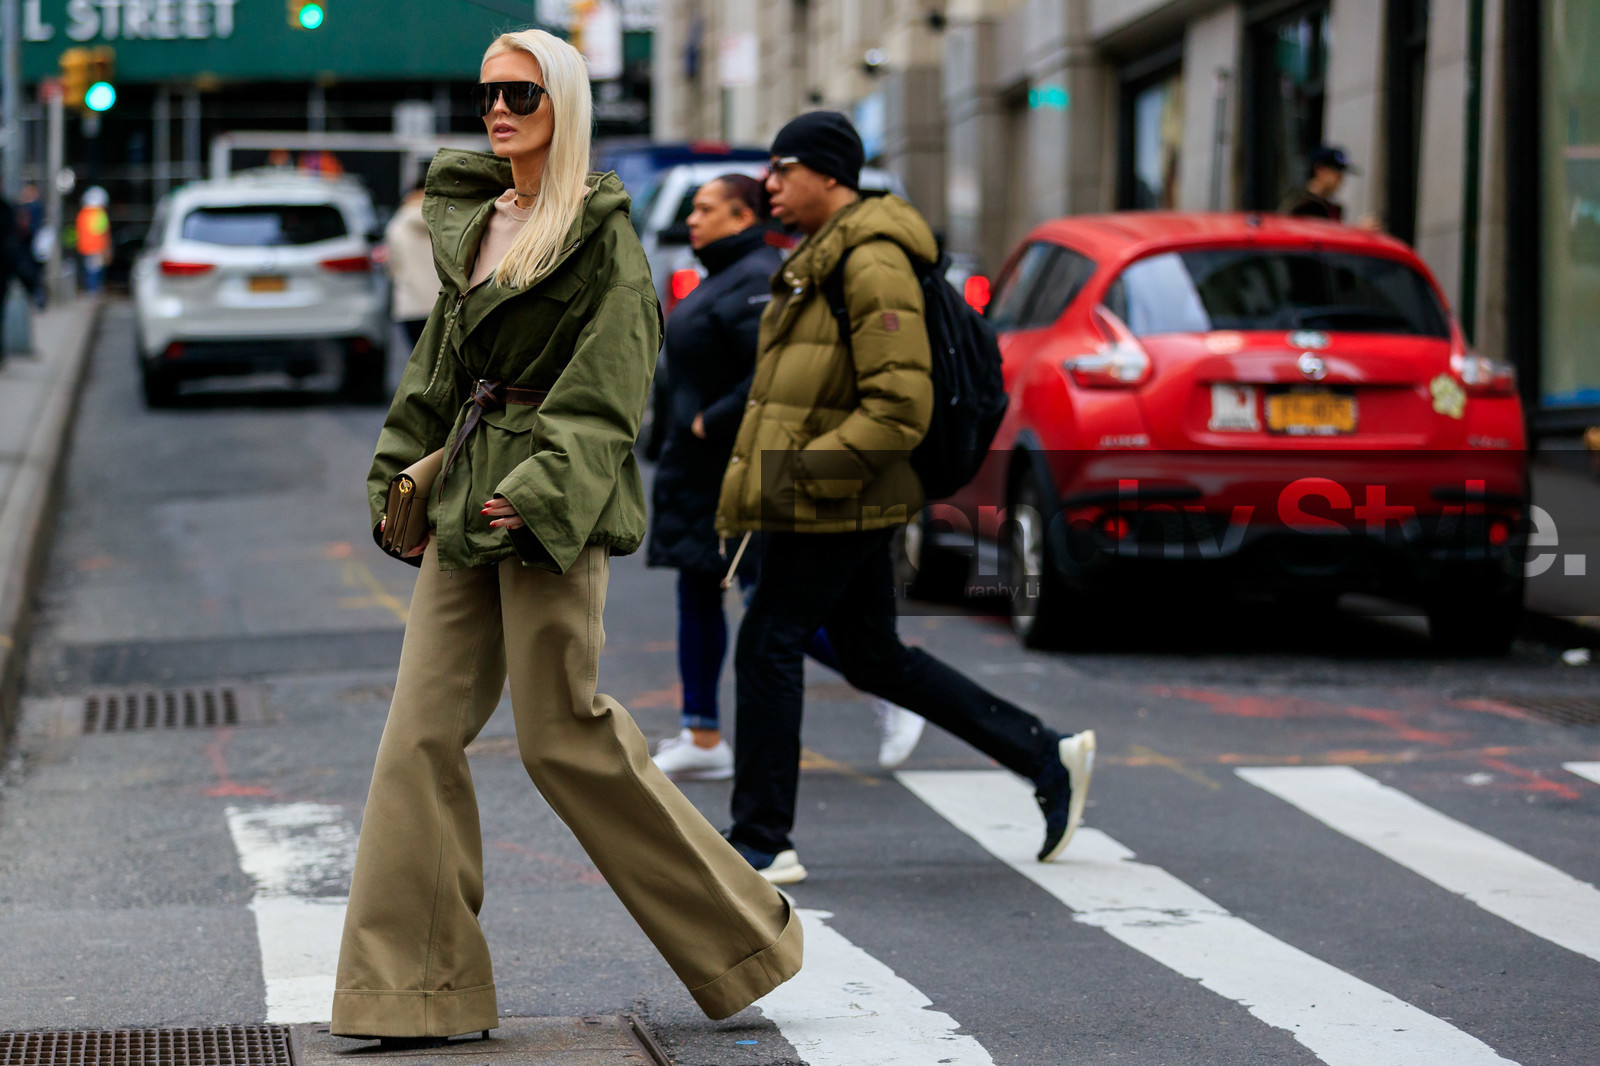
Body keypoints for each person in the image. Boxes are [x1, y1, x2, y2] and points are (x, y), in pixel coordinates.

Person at [332, 29, 801, 1049]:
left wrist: (543, 491)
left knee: (562, 738)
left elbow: (612, 388)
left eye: (522, 94)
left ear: (567, 106)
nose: (498, 109)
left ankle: (743, 936)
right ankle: (414, 992)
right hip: (467, 496)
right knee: (416, 734)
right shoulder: (475, 221)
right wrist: (396, 476)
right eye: (489, 92)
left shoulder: (601, 240)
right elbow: (436, 375)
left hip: (550, 507)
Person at [715, 111, 1096, 886]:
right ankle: (1044, 754)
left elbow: (898, 407)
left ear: (828, 174)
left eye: (783, 168)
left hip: (839, 494)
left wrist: (799, 473)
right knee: (871, 655)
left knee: (768, 642)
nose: (769, 184)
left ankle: (761, 840)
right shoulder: (828, 254)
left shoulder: (873, 259)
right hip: (839, 490)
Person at [645, 175, 924, 781]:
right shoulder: (727, 274)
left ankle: (888, 684)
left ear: (743, 216)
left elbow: (768, 378)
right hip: (697, 471)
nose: (692, 220)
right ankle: (702, 733)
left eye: (706, 208)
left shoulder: (755, 280)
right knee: (698, 589)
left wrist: (705, 425)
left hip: (733, 467)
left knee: (769, 606)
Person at [382, 171, 436, 347]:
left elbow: (392, 268)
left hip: (410, 306)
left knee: (421, 365)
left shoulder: (396, 224)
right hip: (444, 305)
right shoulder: (446, 221)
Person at [1278, 145, 1380, 230]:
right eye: (1336, 172)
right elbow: (1317, 241)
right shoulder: (1303, 205)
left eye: (1342, 174)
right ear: (1319, 170)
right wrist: (1356, 232)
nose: (1340, 178)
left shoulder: (1330, 207)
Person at [75, 187, 111, 293]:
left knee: (89, 272)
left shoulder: (82, 214)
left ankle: (90, 291)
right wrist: (106, 248)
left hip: (84, 248)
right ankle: (93, 293)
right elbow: (103, 233)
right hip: (96, 248)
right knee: (95, 273)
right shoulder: (99, 214)